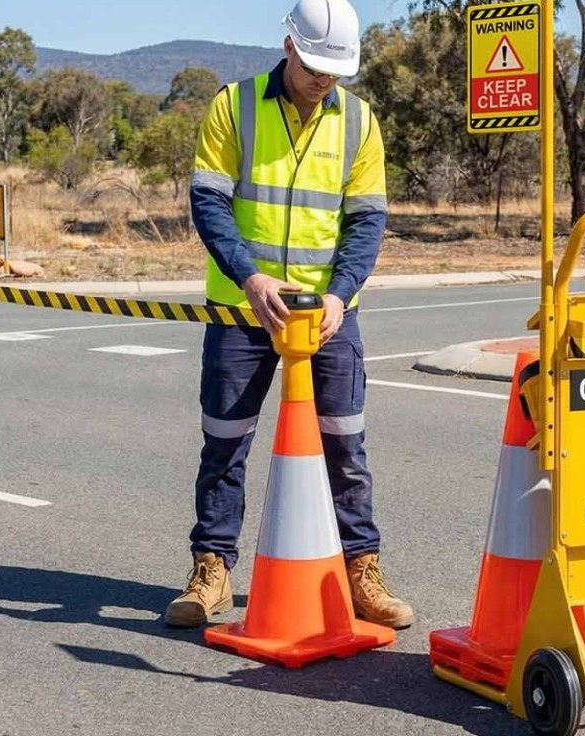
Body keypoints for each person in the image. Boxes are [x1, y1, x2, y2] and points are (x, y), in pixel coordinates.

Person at [165, 0, 413, 630]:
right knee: (224, 445)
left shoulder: (359, 122)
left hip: (330, 316)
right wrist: (248, 277)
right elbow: (209, 203)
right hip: (243, 311)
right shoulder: (235, 106)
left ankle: (362, 570)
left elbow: (366, 220)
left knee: (345, 446)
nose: (324, 78)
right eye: (313, 65)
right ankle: (212, 569)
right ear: (288, 46)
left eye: (336, 68)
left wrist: (339, 292)